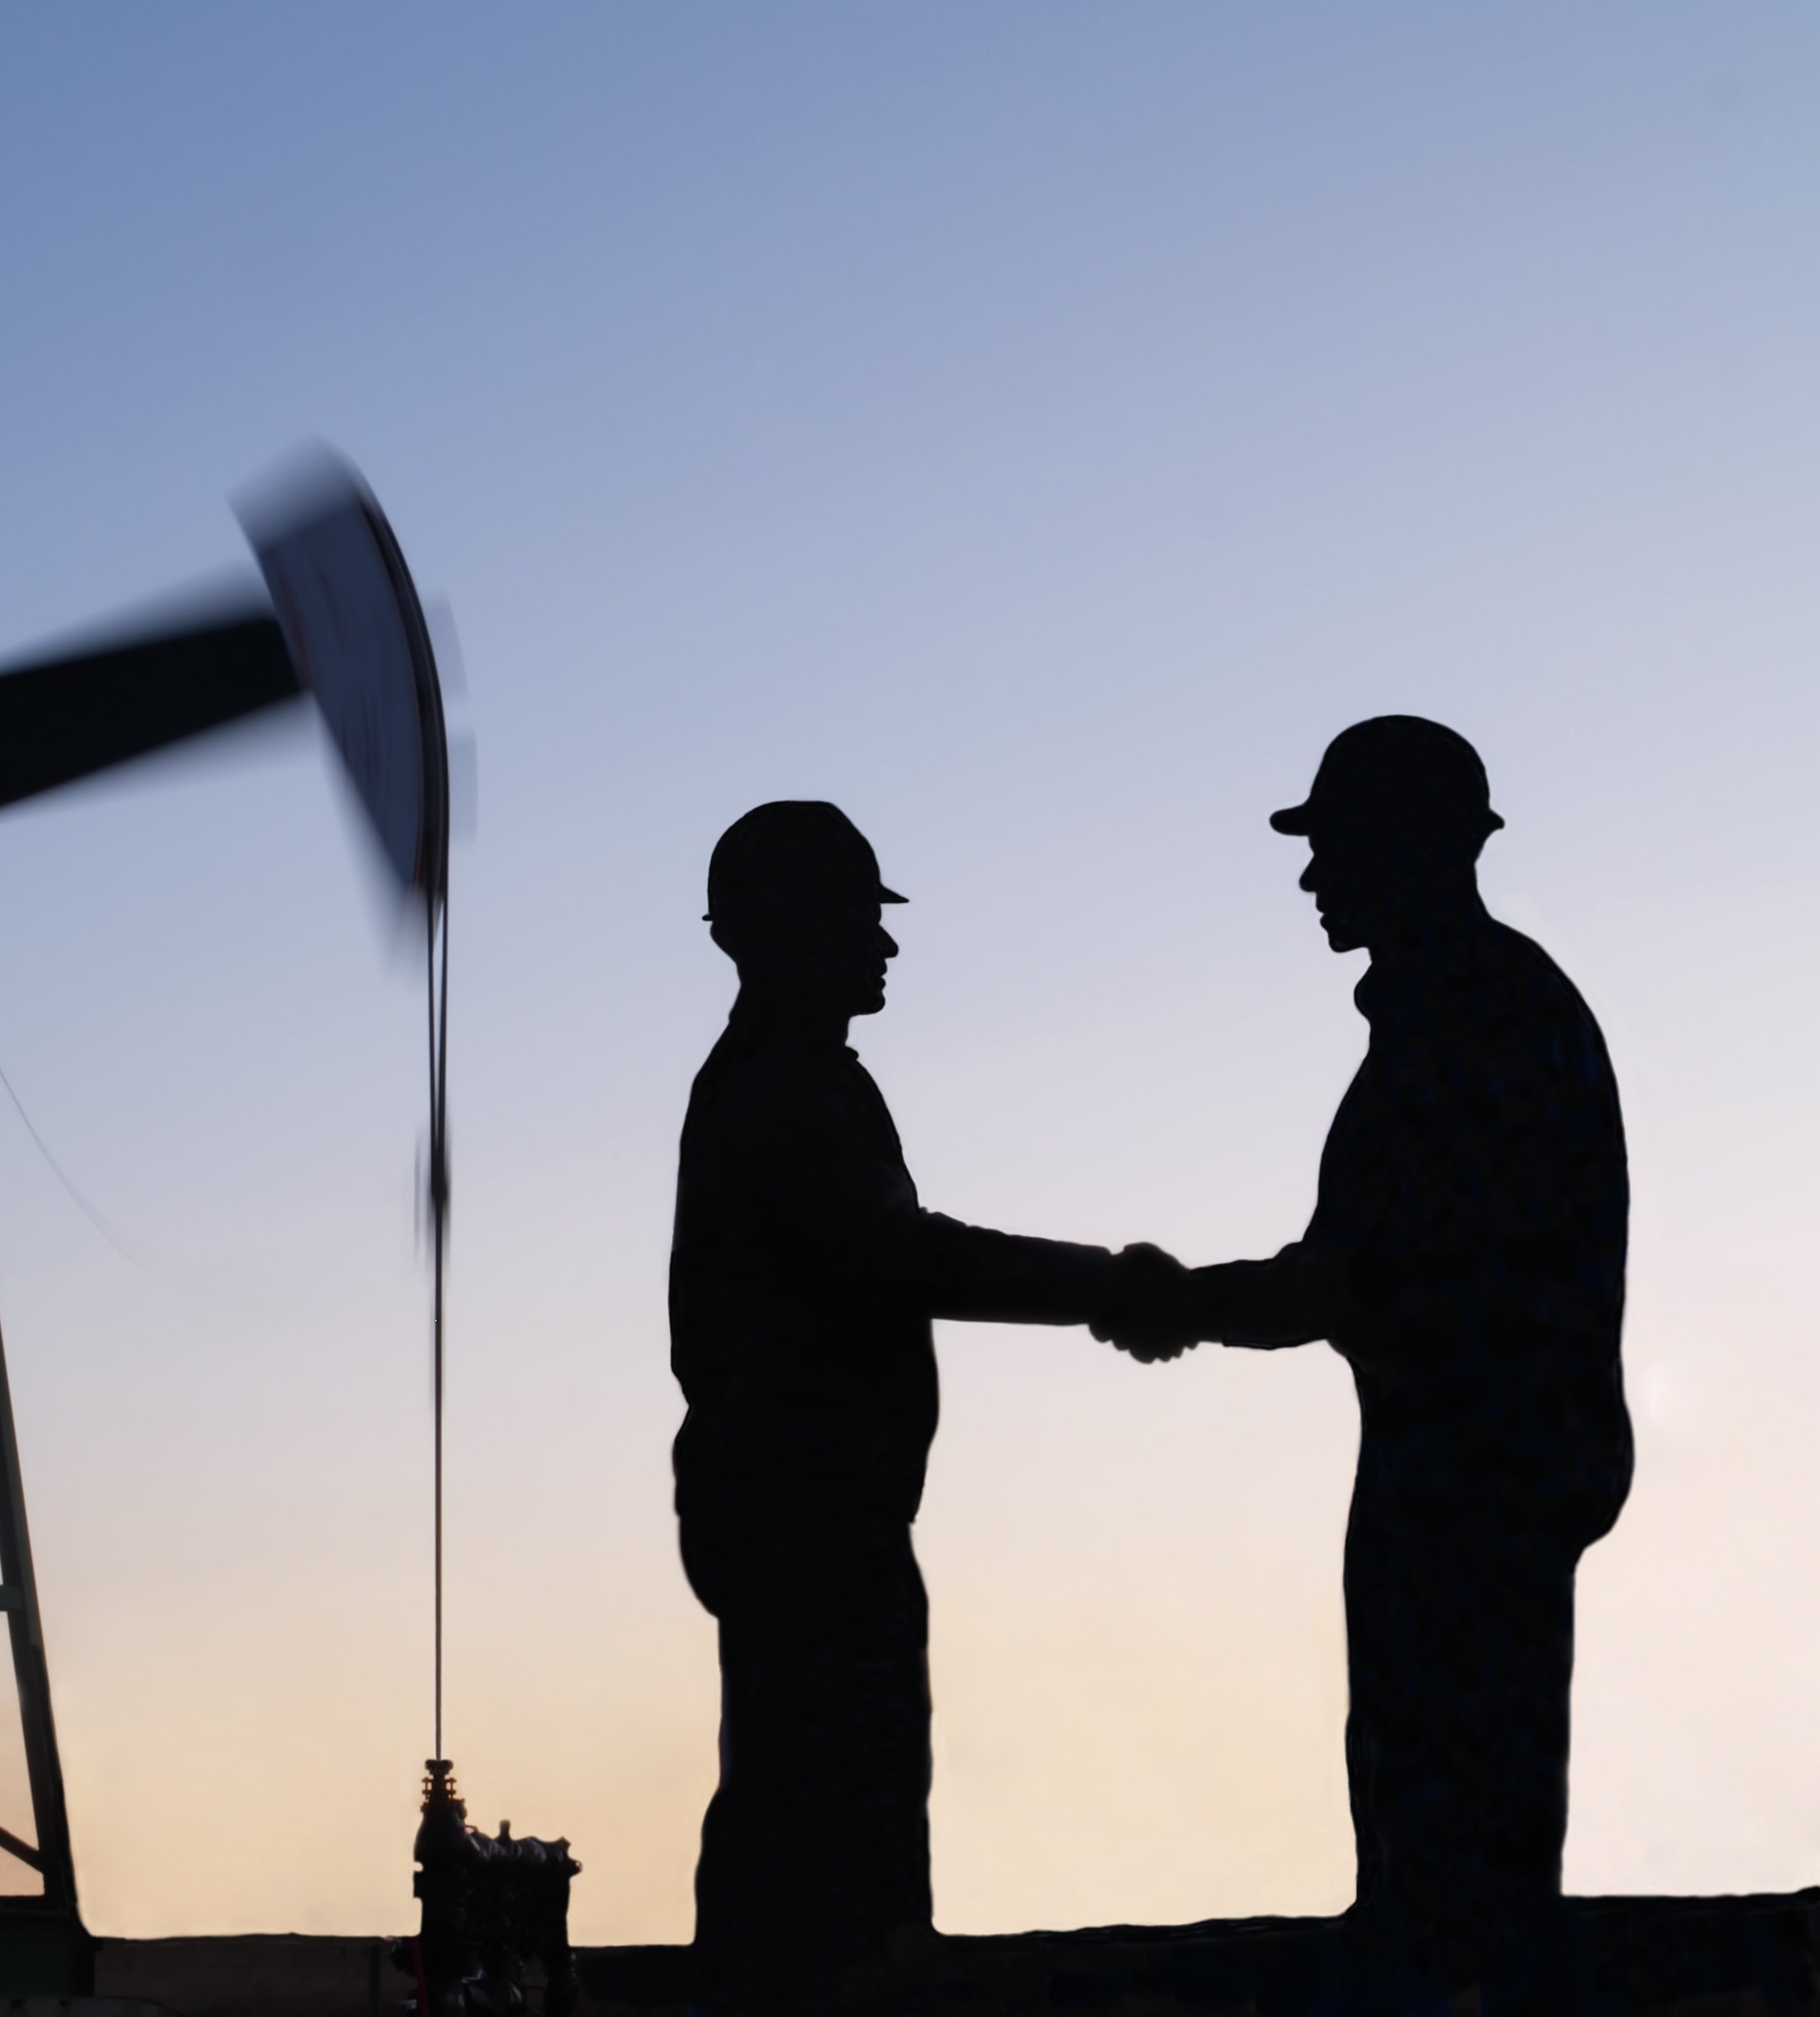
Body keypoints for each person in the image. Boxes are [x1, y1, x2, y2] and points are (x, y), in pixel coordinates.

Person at [1098, 717, 1632, 2009]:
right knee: (1448, 1844)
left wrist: (1173, 1301)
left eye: (1330, 845)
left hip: (1468, 1484)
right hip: (1473, 1472)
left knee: (1451, 1864)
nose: (1311, 877)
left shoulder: (1476, 1022)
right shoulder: (1481, 1012)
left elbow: (1348, 1281)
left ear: (1409, 848)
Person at [670, 800, 1161, 2010]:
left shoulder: (801, 1082)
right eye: (855, 919)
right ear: (777, 931)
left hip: (823, 1516)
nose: (883, 947)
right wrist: (1110, 1284)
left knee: (824, 1809)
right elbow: (903, 1256)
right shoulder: (780, 1090)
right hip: (808, 1523)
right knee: (820, 1820)